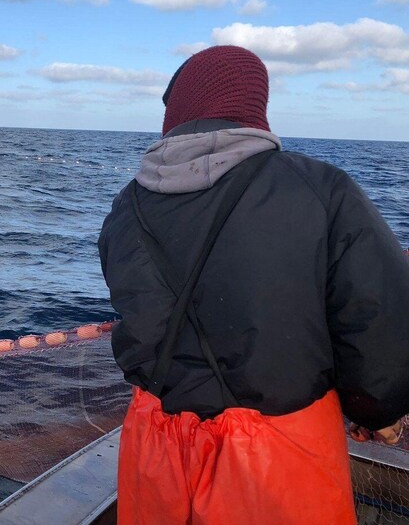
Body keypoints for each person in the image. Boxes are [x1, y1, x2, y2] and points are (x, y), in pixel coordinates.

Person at [98, 45, 409, 524]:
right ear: (252, 105)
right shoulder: (319, 187)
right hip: (275, 461)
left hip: (153, 447)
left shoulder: (127, 205)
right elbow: (374, 312)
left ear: (179, 108)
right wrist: (375, 411)